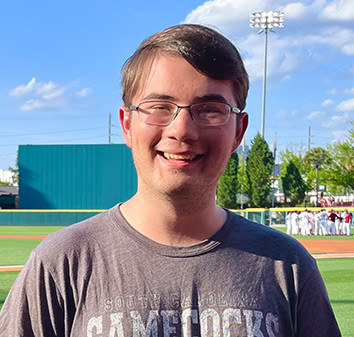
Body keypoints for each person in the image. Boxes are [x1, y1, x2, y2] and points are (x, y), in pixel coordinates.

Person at [0, 24, 341, 336]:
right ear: (127, 124)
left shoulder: (288, 267)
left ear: (238, 130)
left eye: (209, 109)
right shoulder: (60, 264)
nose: (181, 130)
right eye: (159, 106)